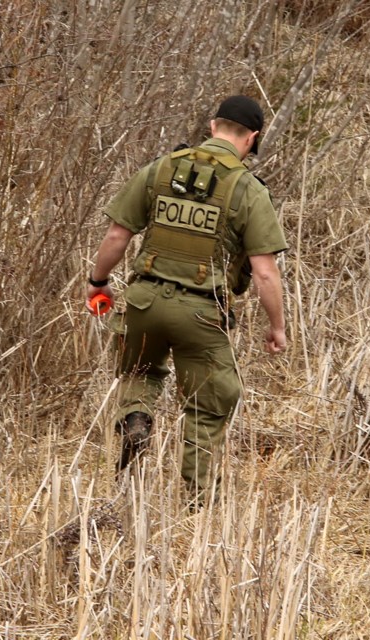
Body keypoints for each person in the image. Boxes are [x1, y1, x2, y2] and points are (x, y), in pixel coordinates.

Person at [86, 95, 288, 506]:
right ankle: (198, 502)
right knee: (208, 405)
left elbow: (116, 236)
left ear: (213, 127)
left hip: (143, 302)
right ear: (252, 139)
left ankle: (136, 421)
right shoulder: (248, 190)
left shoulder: (160, 169)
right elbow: (265, 272)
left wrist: (98, 282)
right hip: (201, 312)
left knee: (139, 370)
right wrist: (277, 327)